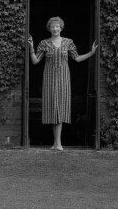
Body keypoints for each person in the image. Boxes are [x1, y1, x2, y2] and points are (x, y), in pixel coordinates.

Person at [28, 16, 98, 151]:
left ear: (61, 28)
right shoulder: (44, 43)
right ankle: (56, 144)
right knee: (52, 108)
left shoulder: (68, 42)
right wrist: (31, 47)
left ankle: (58, 144)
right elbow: (35, 61)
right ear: (49, 28)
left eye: (57, 26)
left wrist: (91, 53)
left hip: (63, 80)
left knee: (59, 108)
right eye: (52, 26)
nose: (55, 29)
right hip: (49, 80)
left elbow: (77, 58)